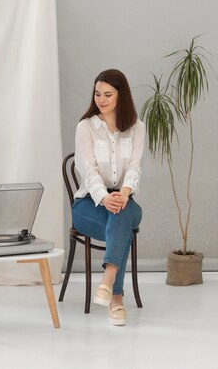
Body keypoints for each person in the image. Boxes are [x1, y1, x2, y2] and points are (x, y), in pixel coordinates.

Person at [71, 69, 145, 326]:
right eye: (97, 93)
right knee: (120, 223)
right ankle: (116, 298)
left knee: (121, 215)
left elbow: (135, 167)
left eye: (108, 94)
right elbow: (87, 169)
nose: (101, 99)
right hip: (88, 204)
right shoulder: (86, 127)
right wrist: (105, 198)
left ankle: (107, 282)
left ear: (121, 95)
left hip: (125, 201)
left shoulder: (137, 128)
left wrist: (123, 195)